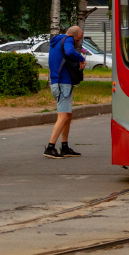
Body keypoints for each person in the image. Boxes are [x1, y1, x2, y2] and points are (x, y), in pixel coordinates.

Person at [44, 25, 86, 158]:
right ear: (72, 36)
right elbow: (69, 51)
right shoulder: (68, 40)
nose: (77, 43)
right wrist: (81, 58)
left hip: (56, 82)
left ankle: (65, 146)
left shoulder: (56, 41)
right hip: (63, 83)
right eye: (77, 40)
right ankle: (50, 147)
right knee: (63, 116)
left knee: (68, 115)